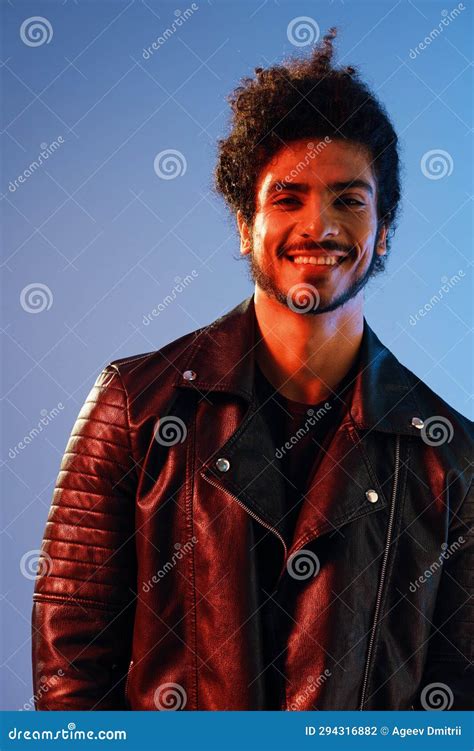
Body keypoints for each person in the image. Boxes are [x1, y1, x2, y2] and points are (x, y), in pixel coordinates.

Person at [32, 28, 472, 711]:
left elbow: (461, 695)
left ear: (383, 227)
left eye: (348, 199)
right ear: (245, 223)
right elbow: (71, 668)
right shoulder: (134, 406)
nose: (319, 225)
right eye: (288, 198)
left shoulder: (453, 455)